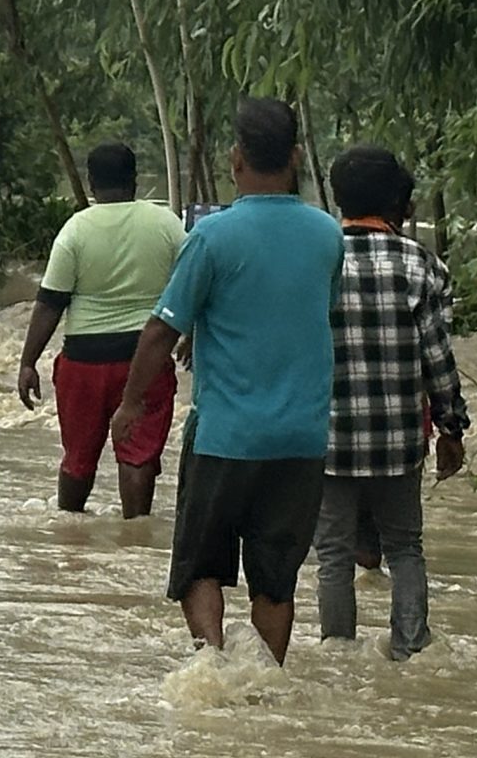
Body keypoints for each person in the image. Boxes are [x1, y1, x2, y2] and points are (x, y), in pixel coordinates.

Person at [109, 96, 343, 664]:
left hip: (226, 439)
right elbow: (304, 312)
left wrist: (131, 403)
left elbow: (162, 330)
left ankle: (211, 666)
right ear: (295, 158)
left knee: (200, 566)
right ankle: (263, 684)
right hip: (301, 441)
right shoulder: (328, 235)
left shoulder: (212, 238)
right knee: (276, 581)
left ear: (235, 160)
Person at [310, 146, 470, 658]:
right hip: (400, 443)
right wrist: (452, 428)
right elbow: (437, 360)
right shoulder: (421, 266)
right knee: (405, 548)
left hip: (327, 440)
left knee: (332, 554)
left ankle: (339, 655)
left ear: (338, 199)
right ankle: (410, 649)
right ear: (399, 203)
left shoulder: (318, 262)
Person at [16, 140, 187, 517]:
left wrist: (28, 362)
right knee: (137, 457)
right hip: (145, 359)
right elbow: (193, 284)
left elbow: (50, 302)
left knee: (78, 458)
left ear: (91, 182)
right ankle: (135, 538)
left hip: (83, 363)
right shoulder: (166, 224)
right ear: (135, 180)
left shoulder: (75, 230)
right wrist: (192, 332)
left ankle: (70, 535)